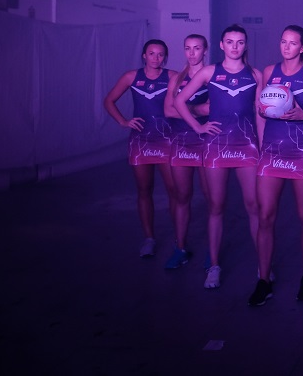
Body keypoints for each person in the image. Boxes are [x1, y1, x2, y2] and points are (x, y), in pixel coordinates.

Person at [174, 24, 263, 290]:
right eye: (229, 41)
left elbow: (259, 112)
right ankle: (214, 265)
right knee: (216, 206)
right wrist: (198, 126)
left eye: (240, 42)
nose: (235, 46)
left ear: (245, 45)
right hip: (216, 146)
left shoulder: (255, 74)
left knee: (254, 207)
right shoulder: (208, 72)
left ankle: (263, 264)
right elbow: (180, 102)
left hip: (247, 146)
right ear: (221, 45)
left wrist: (263, 144)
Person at [249, 25, 303, 306]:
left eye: (292, 43)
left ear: (302, 47)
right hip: (272, 153)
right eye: (283, 42)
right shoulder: (269, 72)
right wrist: (262, 113)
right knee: (266, 216)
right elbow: (262, 112)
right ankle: (263, 280)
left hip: (301, 152)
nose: (286, 47)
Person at [104, 39, 178, 258]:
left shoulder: (173, 76)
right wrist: (123, 122)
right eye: (152, 53)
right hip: (141, 140)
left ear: (165, 57)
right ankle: (149, 238)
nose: (156, 58)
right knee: (144, 190)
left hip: (166, 139)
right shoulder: (131, 77)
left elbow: (190, 96)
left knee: (174, 191)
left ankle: (178, 237)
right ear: (144, 55)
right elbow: (109, 100)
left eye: (160, 54)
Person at [163, 34, 210, 269]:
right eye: (187, 48)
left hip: (207, 142)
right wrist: (198, 109)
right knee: (182, 197)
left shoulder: (212, 76)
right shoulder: (177, 78)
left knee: (213, 200)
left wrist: (187, 109)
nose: (192, 53)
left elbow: (217, 109)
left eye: (197, 48)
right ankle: (180, 247)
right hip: (182, 142)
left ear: (205, 50)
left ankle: (213, 252)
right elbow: (170, 111)